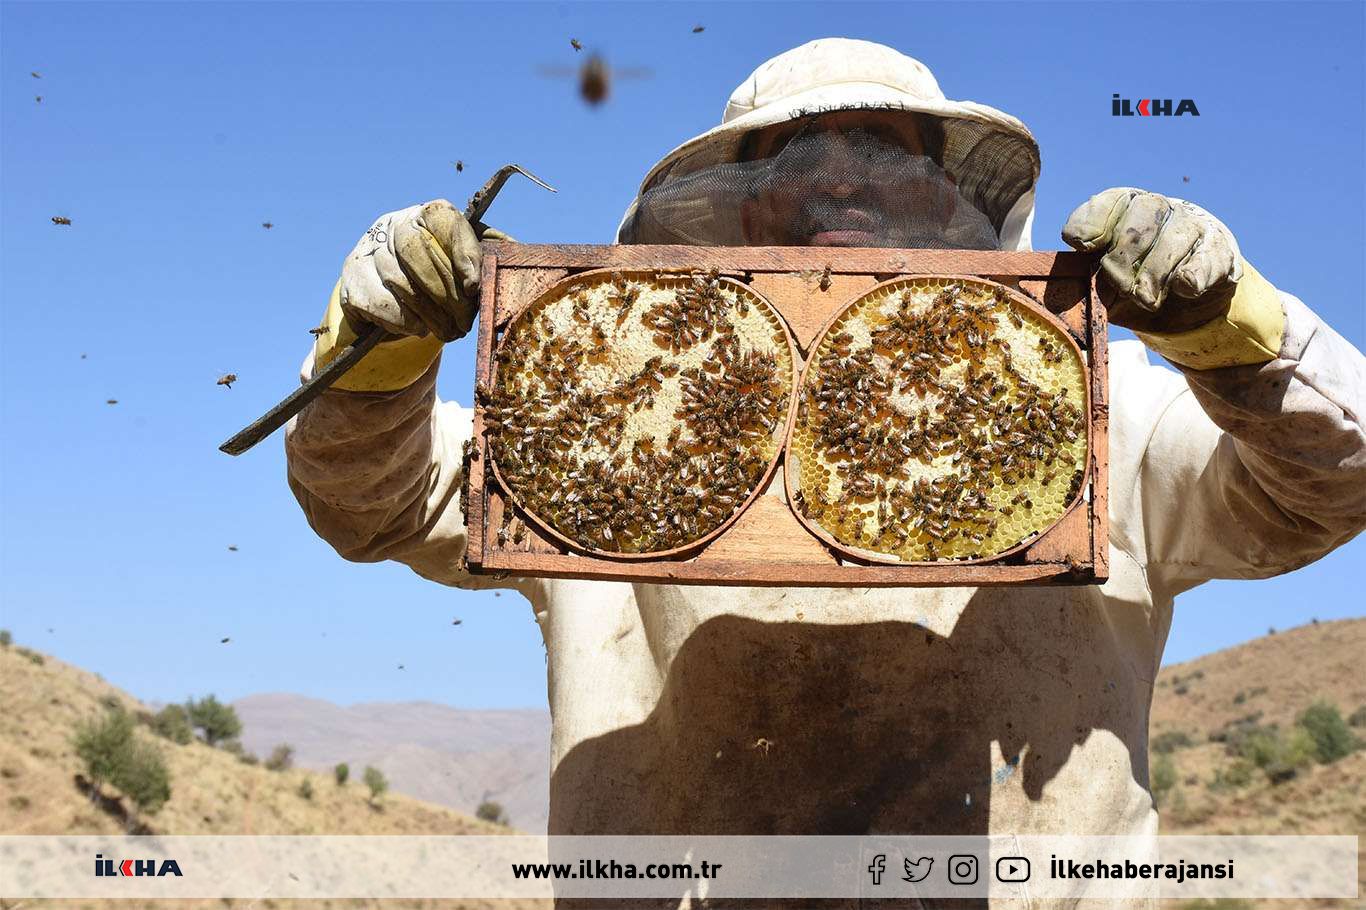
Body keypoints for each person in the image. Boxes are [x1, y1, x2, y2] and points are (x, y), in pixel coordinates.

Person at [287, 35, 1363, 860]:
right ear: (737, 211)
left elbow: (1330, 482)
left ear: (949, 197)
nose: (843, 186)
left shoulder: (1100, 409)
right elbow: (376, 501)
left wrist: (1231, 331)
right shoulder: (624, 412)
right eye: (799, 162)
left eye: (883, 156)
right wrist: (380, 349)